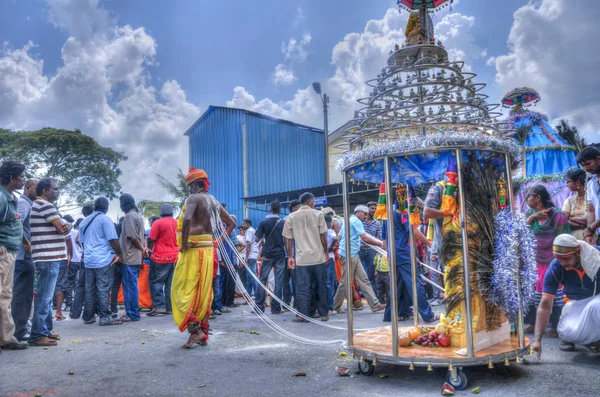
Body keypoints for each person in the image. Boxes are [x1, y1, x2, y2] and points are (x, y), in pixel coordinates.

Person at [171, 167, 235, 348]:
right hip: (208, 250)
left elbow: (188, 219)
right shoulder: (213, 201)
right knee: (204, 293)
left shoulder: (193, 198)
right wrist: (217, 241)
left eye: (189, 186)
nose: (188, 190)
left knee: (180, 292)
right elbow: (231, 223)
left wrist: (183, 244)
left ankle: (195, 331)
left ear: (195, 184)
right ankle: (203, 334)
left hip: (194, 250)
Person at [531, 234, 600, 356]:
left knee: (596, 307)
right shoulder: (555, 267)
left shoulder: (596, 256)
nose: (562, 263)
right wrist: (537, 341)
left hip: (597, 300)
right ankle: (592, 340)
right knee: (566, 332)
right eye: (559, 258)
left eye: (566, 259)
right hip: (575, 302)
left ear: (577, 252)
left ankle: (594, 339)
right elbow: (545, 305)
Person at [381, 189, 438, 323]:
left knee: (397, 285)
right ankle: (427, 315)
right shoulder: (403, 212)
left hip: (394, 254)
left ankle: (393, 314)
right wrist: (430, 244)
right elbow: (413, 231)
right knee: (415, 283)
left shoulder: (387, 213)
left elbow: (384, 240)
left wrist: (391, 253)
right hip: (403, 253)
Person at [29, 178, 71, 347]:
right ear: (45, 191)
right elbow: (62, 228)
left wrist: (63, 225)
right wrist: (63, 224)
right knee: (44, 297)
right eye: (55, 189)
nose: (57, 191)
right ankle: (38, 334)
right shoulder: (45, 205)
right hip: (48, 257)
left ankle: (44, 330)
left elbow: (63, 227)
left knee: (45, 296)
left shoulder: (39, 205)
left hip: (47, 257)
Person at [524, 184, 569, 338]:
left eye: (528, 197)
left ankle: (556, 328)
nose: (526, 200)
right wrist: (531, 219)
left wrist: (559, 261)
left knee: (556, 294)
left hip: (553, 260)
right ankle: (532, 323)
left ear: (537, 198)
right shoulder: (530, 214)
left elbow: (562, 239)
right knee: (532, 291)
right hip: (534, 259)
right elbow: (521, 231)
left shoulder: (557, 215)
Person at [283, 193, 329, 322]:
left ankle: (303, 315)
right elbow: (323, 236)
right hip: (318, 257)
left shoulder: (291, 217)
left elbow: (288, 239)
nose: (314, 203)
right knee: (320, 286)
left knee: (303, 288)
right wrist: (325, 252)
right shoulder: (318, 214)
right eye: (313, 201)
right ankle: (323, 314)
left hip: (302, 258)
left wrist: (290, 256)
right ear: (309, 202)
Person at [332, 205, 386, 314]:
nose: (366, 217)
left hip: (351, 253)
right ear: (359, 212)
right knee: (346, 281)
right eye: (365, 214)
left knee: (363, 279)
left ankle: (375, 304)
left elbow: (339, 237)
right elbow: (364, 237)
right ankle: (336, 306)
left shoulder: (349, 220)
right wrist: (380, 243)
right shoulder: (355, 221)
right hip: (349, 254)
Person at [79, 197, 123, 326]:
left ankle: (88, 316)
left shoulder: (84, 221)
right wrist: (118, 253)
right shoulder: (105, 220)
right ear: (106, 207)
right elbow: (113, 240)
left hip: (89, 260)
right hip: (103, 259)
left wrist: (89, 252)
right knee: (103, 288)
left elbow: (80, 241)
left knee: (89, 288)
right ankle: (105, 317)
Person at [0, 160, 29, 351]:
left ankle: (6, 337)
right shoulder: (1, 198)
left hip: (10, 250)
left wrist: (25, 241)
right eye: (21, 176)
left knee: (5, 295)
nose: (23, 180)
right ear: (12, 178)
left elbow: (14, 223)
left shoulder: (11, 196)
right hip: (3, 251)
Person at [11, 177, 37, 343]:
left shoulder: (29, 204)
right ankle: (19, 330)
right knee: (21, 294)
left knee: (25, 294)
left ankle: (20, 326)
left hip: (26, 256)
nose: (40, 190)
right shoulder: (23, 203)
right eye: (36, 187)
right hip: (22, 256)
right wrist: (26, 244)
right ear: (28, 188)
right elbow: (17, 224)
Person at [118, 193, 148, 322]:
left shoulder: (129, 216)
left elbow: (132, 236)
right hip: (135, 256)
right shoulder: (138, 216)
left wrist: (142, 248)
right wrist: (143, 249)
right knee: (132, 285)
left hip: (129, 257)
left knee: (130, 286)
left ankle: (132, 313)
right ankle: (132, 312)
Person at [255, 201, 286, 314]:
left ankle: (259, 307)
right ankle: (276, 308)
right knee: (278, 281)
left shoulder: (264, 222)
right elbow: (286, 240)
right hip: (280, 254)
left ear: (270, 209)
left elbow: (257, 239)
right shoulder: (283, 222)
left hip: (267, 254)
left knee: (262, 280)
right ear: (280, 211)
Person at [146, 204, 178, 316]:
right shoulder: (177, 223)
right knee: (170, 284)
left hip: (160, 257)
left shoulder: (158, 223)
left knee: (155, 281)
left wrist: (148, 251)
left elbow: (151, 239)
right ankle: (170, 308)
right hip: (175, 257)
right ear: (172, 212)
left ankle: (159, 307)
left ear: (161, 213)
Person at [70, 204, 94, 319]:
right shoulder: (94, 221)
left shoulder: (83, 223)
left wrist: (84, 247)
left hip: (84, 256)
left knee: (80, 285)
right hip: (93, 257)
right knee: (90, 285)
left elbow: (77, 239)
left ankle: (75, 312)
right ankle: (90, 313)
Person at [578, 147, 600, 245]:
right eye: (583, 166)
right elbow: (591, 210)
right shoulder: (591, 184)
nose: (586, 168)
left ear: (598, 159)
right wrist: (589, 234)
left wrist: (591, 228)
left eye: (588, 164)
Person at [54, 214, 74, 320]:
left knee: (49, 284)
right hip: (61, 257)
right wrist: (70, 254)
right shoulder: (61, 224)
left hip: (48, 257)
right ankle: (58, 312)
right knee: (61, 284)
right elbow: (67, 239)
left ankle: (51, 312)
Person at [358, 201, 381, 294]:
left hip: (371, 251)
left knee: (371, 274)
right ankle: (362, 292)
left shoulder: (377, 223)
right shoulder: (360, 221)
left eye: (375, 209)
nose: (374, 210)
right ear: (367, 209)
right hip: (360, 250)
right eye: (372, 208)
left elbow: (378, 237)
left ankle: (372, 294)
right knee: (361, 274)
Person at [282, 199, 301, 308]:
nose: (299, 209)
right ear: (293, 208)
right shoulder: (289, 220)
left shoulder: (285, 219)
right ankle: (295, 304)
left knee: (287, 281)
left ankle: (287, 303)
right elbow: (285, 238)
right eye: (298, 207)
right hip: (292, 256)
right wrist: (290, 255)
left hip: (288, 255)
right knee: (294, 280)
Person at [562, 167, 588, 241]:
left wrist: (572, 218)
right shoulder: (569, 200)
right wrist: (582, 225)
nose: (567, 185)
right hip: (574, 241)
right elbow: (563, 221)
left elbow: (590, 220)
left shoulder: (593, 198)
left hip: (591, 238)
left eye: (568, 182)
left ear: (577, 182)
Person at [63, 217, 83, 312]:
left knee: (70, 282)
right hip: (82, 260)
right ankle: (80, 303)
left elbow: (67, 242)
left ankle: (69, 304)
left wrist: (69, 256)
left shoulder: (69, 233)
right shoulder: (80, 233)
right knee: (80, 282)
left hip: (72, 260)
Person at [242, 218, 260, 299]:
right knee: (249, 275)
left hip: (251, 255)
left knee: (252, 275)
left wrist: (246, 257)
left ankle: (256, 294)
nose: (242, 225)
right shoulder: (253, 230)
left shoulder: (249, 231)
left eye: (244, 224)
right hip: (254, 255)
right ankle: (249, 294)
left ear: (248, 224)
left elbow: (248, 244)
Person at [324, 215, 338, 311]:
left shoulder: (319, 232)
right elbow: (335, 238)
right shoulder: (330, 231)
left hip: (321, 259)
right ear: (329, 223)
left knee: (324, 282)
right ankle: (330, 305)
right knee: (330, 282)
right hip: (330, 258)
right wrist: (330, 248)